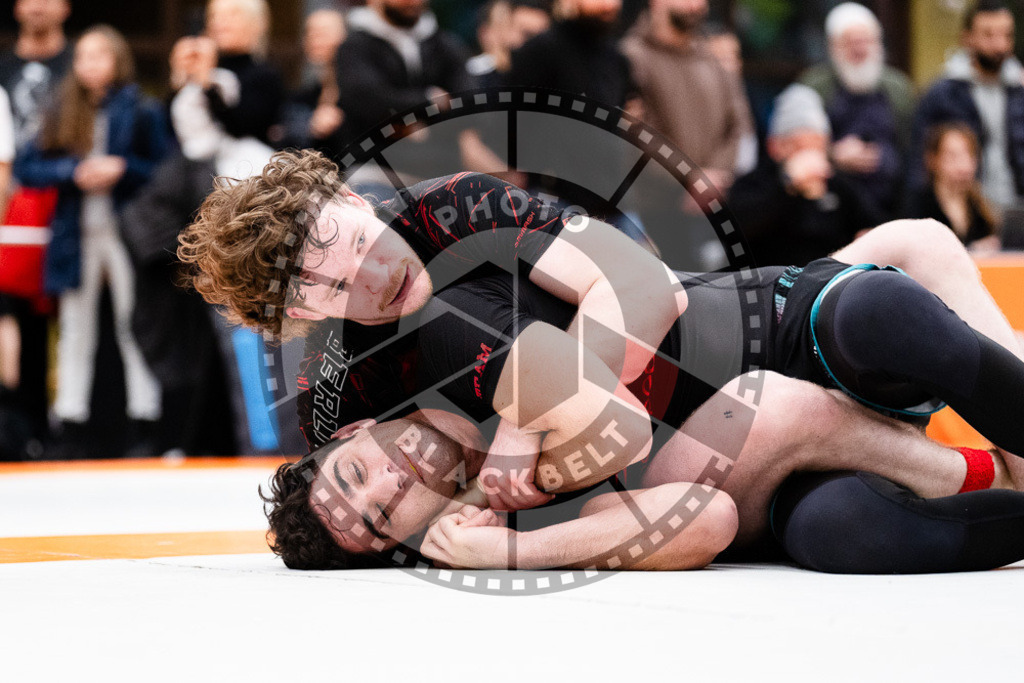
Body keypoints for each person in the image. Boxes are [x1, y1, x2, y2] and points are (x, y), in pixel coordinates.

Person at [15, 26, 173, 458]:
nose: (90, 64)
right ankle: (68, 421)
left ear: (117, 59)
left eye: (99, 55)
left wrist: (122, 168)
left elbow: (164, 167)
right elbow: (27, 167)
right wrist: (73, 171)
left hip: (126, 231)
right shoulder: (61, 108)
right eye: (82, 56)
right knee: (74, 330)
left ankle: (146, 418)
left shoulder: (141, 107)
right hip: (76, 232)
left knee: (132, 323)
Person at [0, 0, 73, 458]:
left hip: (66, 204)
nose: (39, 5)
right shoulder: (3, 66)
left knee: (69, 319)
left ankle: (63, 426)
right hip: (11, 203)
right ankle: (16, 424)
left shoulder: (78, 60)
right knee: (9, 311)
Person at [728, 83, 882, 266]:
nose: (811, 155)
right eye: (801, 146)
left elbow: (874, 223)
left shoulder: (837, 185)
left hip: (828, 284)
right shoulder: (755, 182)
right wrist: (788, 185)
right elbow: (737, 230)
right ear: (775, 146)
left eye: (818, 146)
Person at [798, 3, 916, 220]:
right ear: (834, 47)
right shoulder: (814, 87)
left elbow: (912, 148)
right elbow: (797, 149)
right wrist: (833, 155)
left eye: (866, 41)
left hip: (892, 204)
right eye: (851, 43)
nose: (860, 49)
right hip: (833, 207)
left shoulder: (898, 87)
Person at [910, 0, 1024, 209]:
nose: (999, 45)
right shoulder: (942, 94)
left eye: (1006, 35)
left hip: (1017, 206)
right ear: (967, 38)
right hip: (966, 211)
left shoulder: (1018, 90)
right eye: (988, 35)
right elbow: (919, 164)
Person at [169, 0, 285, 151]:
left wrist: (207, 85)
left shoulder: (265, 75)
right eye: (214, 15)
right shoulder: (208, 67)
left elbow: (243, 128)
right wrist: (179, 77)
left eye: (232, 15)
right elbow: (171, 128)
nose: (219, 22)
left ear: (256, 22)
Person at [905, 123, 1000, 251]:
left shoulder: (982, 210)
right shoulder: (917, 208)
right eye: (953, 156)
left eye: (969, 155)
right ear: (933, 159)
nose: (964, 164)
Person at [274, 8, 346, 154]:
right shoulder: (305, 93)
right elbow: (279, 134)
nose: (315, 38)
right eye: (310, 33)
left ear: (345, 37)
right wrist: (311, 126)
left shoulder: (359, 90)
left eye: (323, 32)